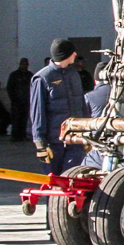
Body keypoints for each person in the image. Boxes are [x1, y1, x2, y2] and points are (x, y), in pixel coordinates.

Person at [30, 39, 90, 176]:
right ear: (64, 55)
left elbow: (82, 105)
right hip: (54, 142)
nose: (75, 54)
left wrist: (88, 132)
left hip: (76, 139)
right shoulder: (43, 78)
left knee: (73, 181)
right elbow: (37, 112)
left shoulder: (74, 75)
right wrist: (40, 143)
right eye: (72, 52)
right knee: (55, 183)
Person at [7, 57, 33, 142]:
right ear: (20, 64)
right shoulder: (14, 75)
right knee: (16, 119)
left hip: (26, 101)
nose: (24, 66)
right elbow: (10, 88)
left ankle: (22, 135)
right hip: (16, 101)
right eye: (23, 64)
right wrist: (13, 99)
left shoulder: (30, 75)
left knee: (24, 119)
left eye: (25, 64)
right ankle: (15, 136)